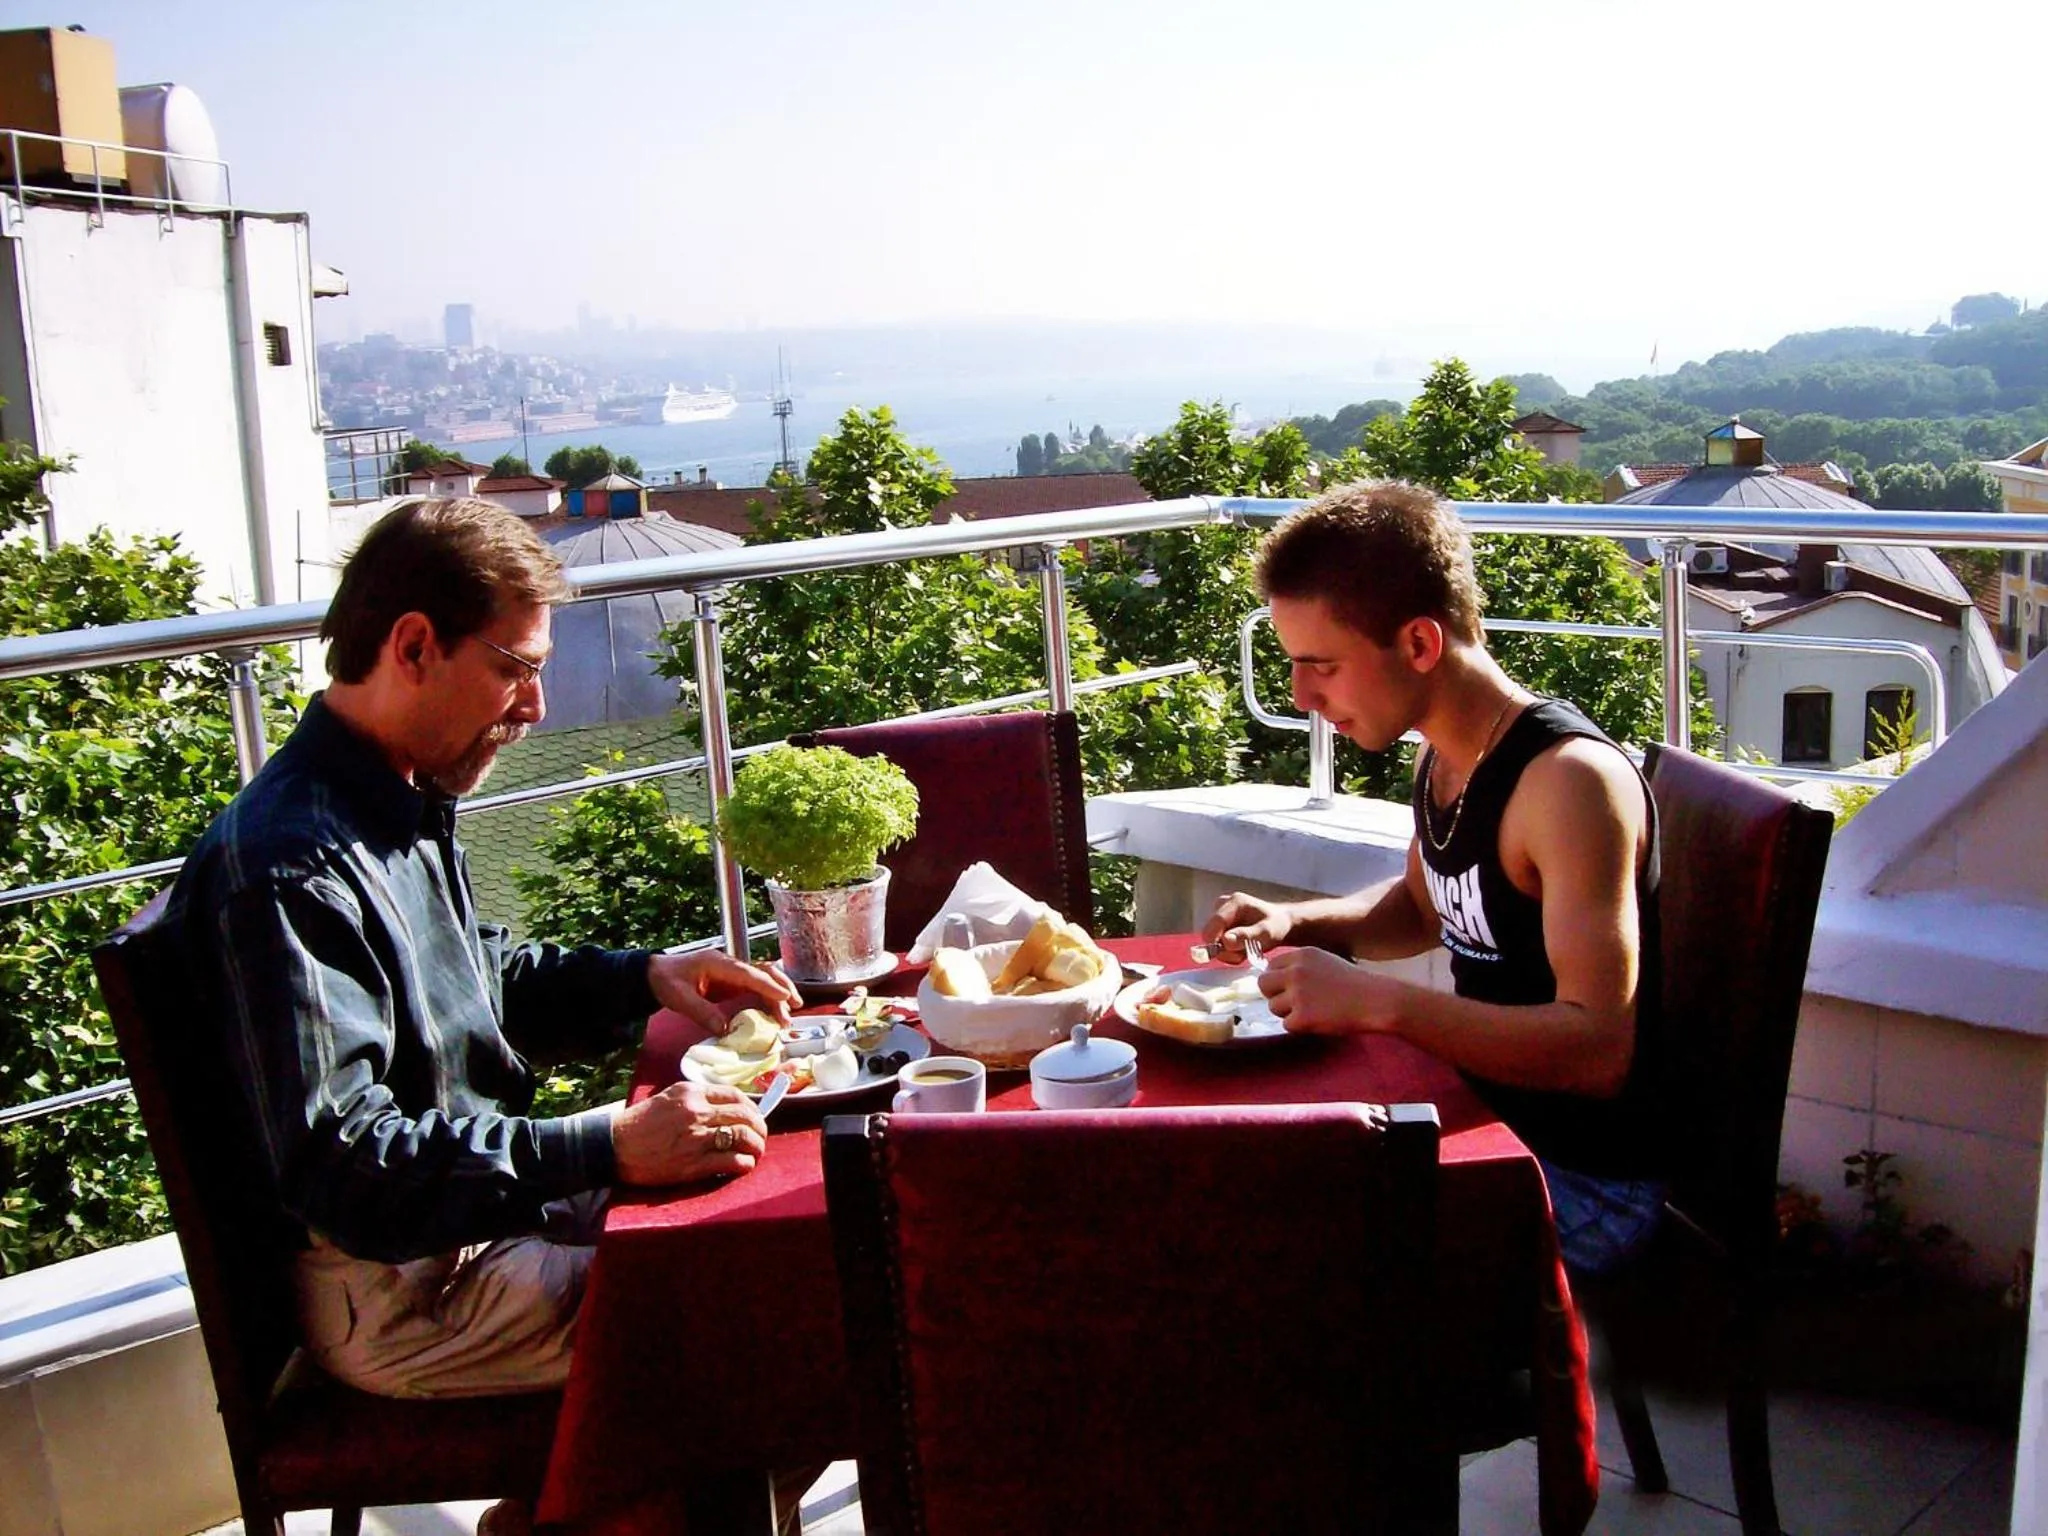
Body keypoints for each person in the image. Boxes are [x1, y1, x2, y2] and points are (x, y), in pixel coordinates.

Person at [168, 496, 802, 1406]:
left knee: (764, 1219)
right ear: (416, 645)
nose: (537, 706)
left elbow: (476, 977)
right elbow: (345, 1166)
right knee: (767, 1318)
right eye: (516, 670)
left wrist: (645, 976)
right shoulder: (289, 868)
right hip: (406, 1286)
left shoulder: (388, 796)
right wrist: (605, 1144)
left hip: (475, 1218)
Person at [1200, 480, 1666, 1275]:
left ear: (1419, 644)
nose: (1302, 698)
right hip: (1484, 1118)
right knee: (1238, 1178)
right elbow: (1422, 910)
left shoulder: (1567, 784)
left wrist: (1382, 1005)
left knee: (1278, 1243)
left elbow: (1597, 1050)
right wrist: (1295, 922)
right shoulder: (1447, 754)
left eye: (1323, 667)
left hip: (1583, 1182)